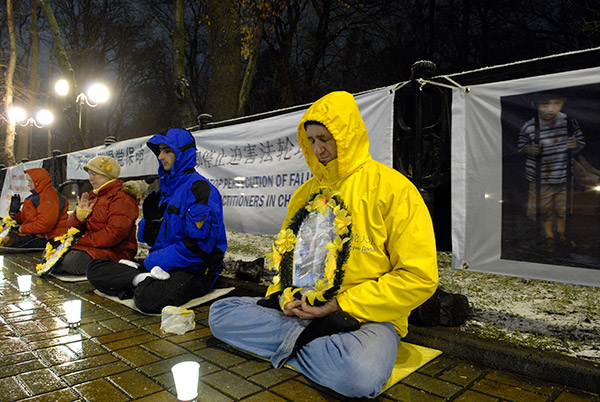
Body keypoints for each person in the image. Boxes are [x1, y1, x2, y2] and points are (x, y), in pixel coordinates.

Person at [208, 91, 438, 398]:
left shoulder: (393, 189)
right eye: (312, 140)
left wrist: (341, 304)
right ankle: (316, 343)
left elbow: (419, 277)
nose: (318, 149)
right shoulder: (304, 194)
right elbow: (285, 259)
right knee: (220, 314)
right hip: (303, 310)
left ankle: (298, 344)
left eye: (326, 139)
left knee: (359, 375)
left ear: (348, 136)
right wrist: (283, 297)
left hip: (363, 319)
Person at [87, 128, 227, 314]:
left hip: (194, 270)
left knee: (147, 299)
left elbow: (197, 248)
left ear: (183, 153)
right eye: (160, 151)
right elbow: (147, 238)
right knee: (94, 268)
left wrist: (152, 261)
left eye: (167, 151)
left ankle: (138, 281)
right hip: (159, 264)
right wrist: (151, 223)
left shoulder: (200, 190)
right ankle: (140, 279)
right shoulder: (165, 189)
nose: (160, 156)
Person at [517, 93, 585, 254]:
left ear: (563, 103)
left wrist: (575, 144)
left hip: (563, 176)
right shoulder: (529, 126)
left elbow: (580, 142)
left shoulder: (568, 122)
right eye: (545, 104)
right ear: (536, 104)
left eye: (556, 104)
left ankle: (561, 235)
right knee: (544, 210)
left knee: (562, 209)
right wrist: (529, 149)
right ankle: (549, 237)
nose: (551, 109)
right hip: (541, 179)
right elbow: (521, 146)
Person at [52, 156, 139, 275]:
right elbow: (73, 230)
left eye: (94, 174)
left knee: (71, 261)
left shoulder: (121, 197)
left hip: (117, 251)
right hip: (92, 247)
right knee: (53, 252)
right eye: (89, 174)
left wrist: (81, 242)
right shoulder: (94, 196)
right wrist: (79, 217)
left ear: (107, 175)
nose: (90, 179)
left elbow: (114, 234)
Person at [5, 168, 69, 248]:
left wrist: (23, 229)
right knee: (6, 238)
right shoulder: (36, 196)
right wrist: (15, 213)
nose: (28, 184)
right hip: (38, 234)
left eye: (30, 181)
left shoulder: (49, 198)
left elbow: (45, 225)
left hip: (51, 238)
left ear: (37, 182)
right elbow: (29, 220)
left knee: (10, 247)